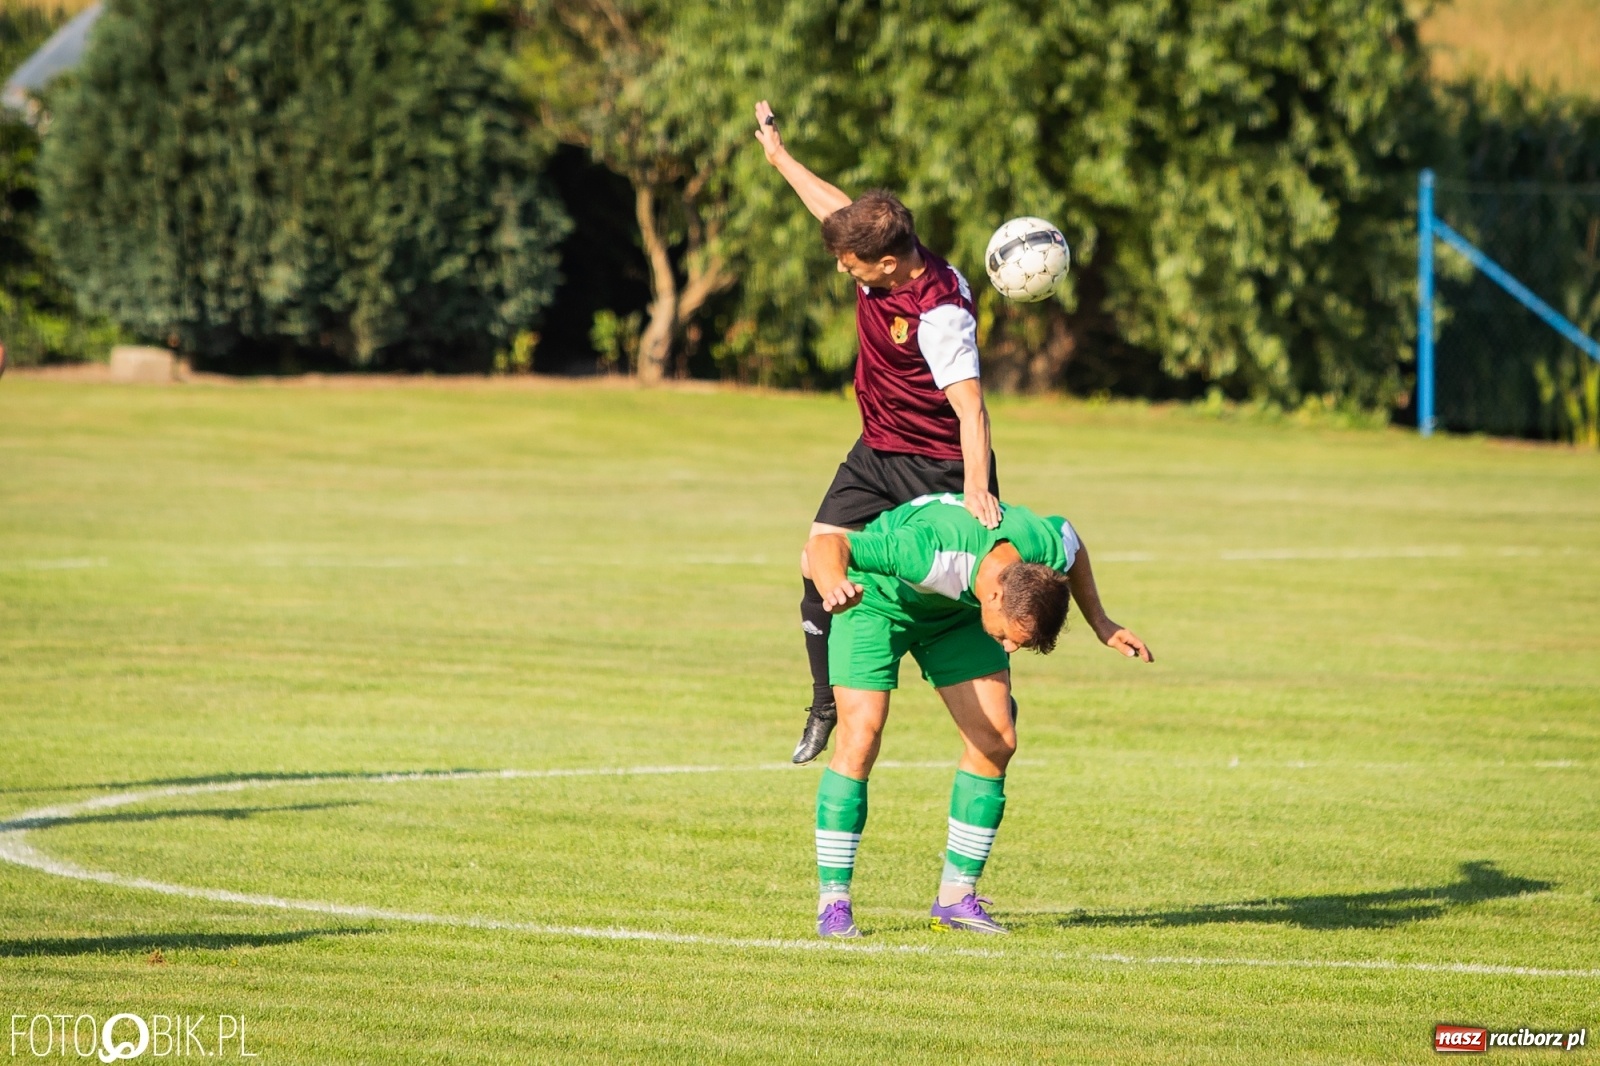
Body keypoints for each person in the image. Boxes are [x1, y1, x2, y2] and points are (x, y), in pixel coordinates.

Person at [753, 99, 1003, 766]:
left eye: (852, 264)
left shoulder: (938, 313)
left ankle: (989, 698)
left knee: (984, 588)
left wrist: (976, 487)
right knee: (816, 556)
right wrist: (780, 157)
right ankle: (825, 701)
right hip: (877, 451)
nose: (843, 269)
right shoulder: (883, 257)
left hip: (940, 465)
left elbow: (972, 408)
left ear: (889, 264)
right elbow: (836, 213)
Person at [802, 492, 1153, 938]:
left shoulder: (1040, 548)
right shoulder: (928, 549)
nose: (1008, 649)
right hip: (875, 605)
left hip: (956, 618)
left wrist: (1100, 621)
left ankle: (954, 898)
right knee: (861, 738)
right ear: (994, 595)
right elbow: (826, 545)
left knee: (996, 741)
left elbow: (1073, 539)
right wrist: (835, 583)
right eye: (1009, 637)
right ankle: (834, 901)